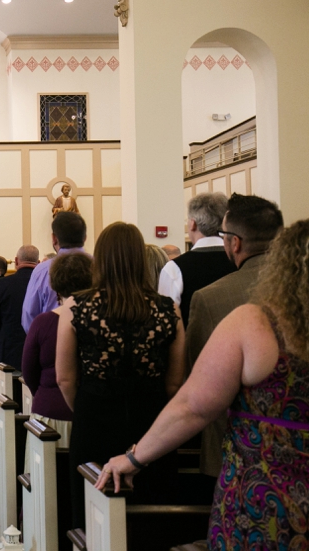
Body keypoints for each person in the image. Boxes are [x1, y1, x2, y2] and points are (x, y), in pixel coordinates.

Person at [97, 216, 309, 550]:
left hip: (265, 502)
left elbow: (193, 406)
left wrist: (133, 459)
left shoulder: (254, 322)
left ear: (284, 266)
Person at [56, 222, 185, 527]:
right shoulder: (169, 310)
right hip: (153, 427)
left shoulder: (76, 307)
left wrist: (89, 409)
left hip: (94, 421)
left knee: (93, 520)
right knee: (152, 519)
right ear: (140, 260)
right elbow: (175, 382)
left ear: (99, 260)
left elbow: (65, 378)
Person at [184, 193, 283, 477]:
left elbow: (196, 377)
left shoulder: (210, 298)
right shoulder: (307, 291)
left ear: (234, 242)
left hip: (234, 450)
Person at [22, 252, 92, 448]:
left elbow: (29, 371)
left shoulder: (43, 322)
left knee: (44, 477)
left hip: (49, 414)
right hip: (91, 413)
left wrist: (47, 393)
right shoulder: (100, 321)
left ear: (56, 285)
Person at [158, 192, 236, 326]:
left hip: (193, 345)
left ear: (193, 224)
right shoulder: (239, 261)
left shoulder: (175, 269)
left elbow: (167, 323)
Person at [21, 212, 88, 333]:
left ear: (54, 238)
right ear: (85, 238)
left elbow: (29, 316)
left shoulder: (42, 271)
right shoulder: (100, 267)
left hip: (52, 341)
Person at [0, 245, 39, 368]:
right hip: (37, 351)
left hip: (7, 351)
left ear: (16, 261)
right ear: (39, 262)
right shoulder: (45, 285)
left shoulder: (1, 285)